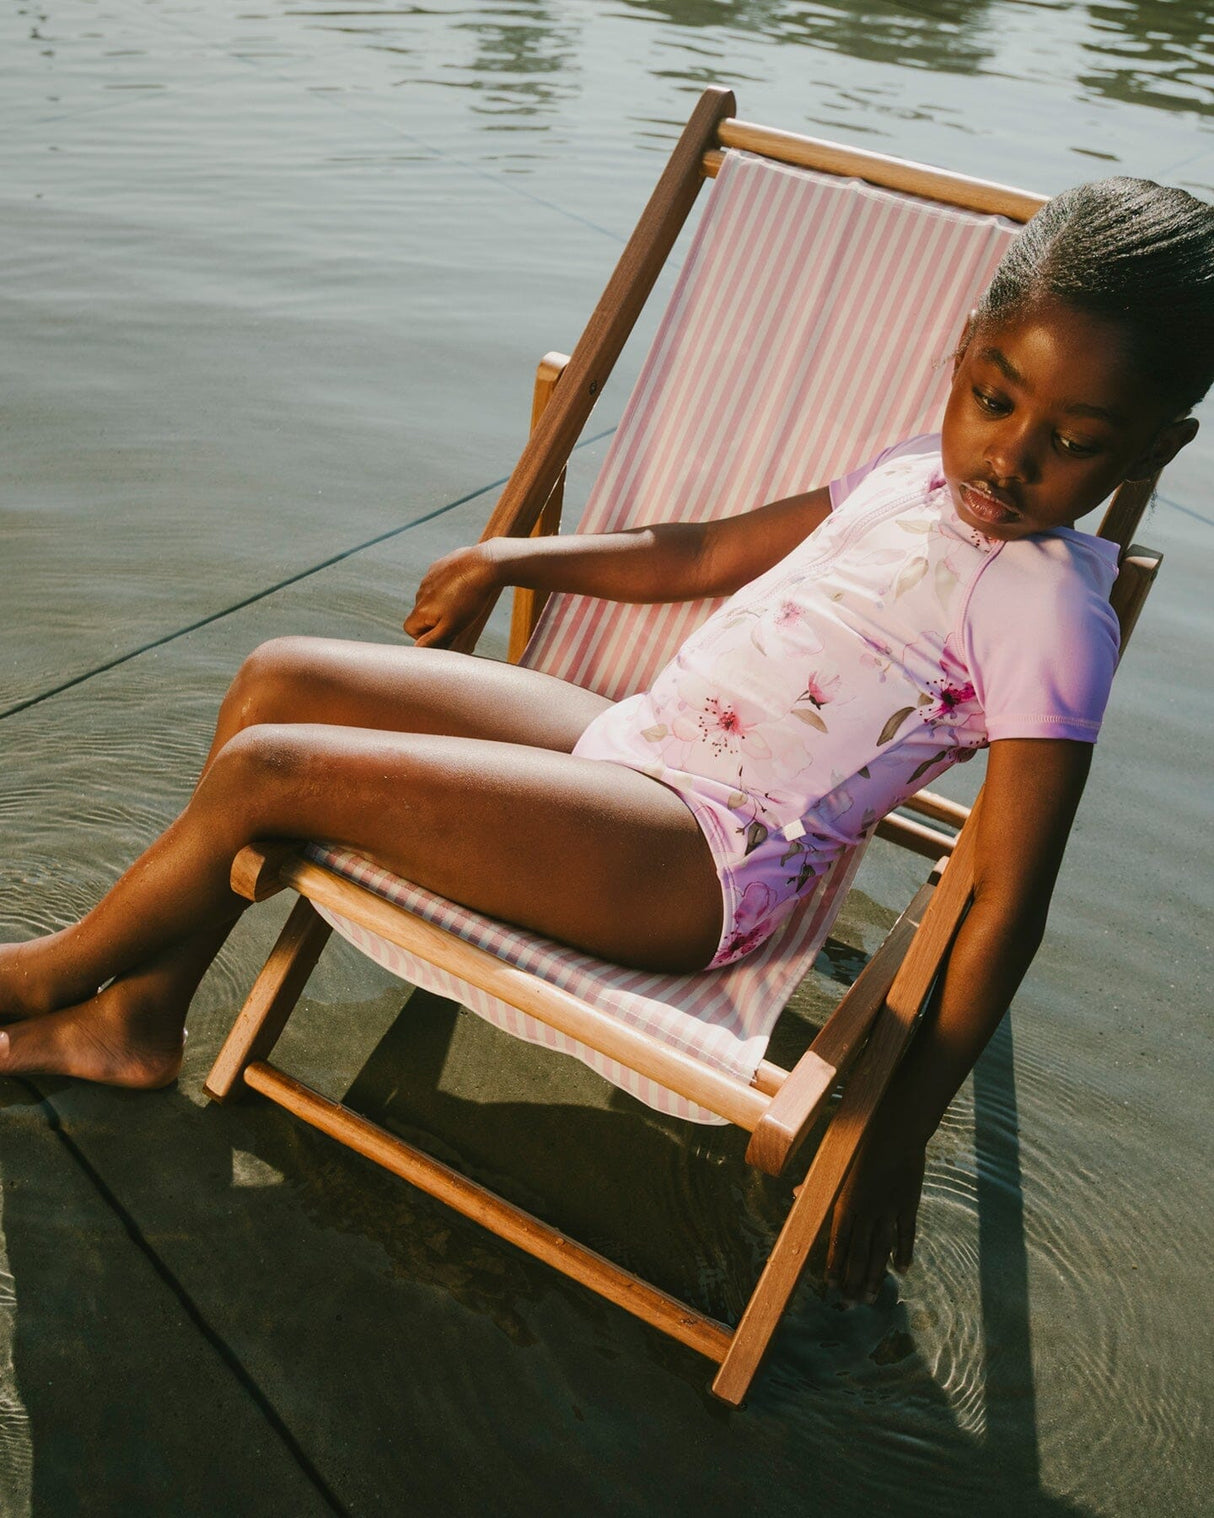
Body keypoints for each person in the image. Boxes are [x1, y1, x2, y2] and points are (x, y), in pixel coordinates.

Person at [2, 177, 1211, 1305]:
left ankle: (53, 976)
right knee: (278, 680)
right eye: (992, 398)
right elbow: (701, 554)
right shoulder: (909, 476)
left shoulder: (1052, 615)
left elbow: (1004, 897)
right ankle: (138, 1016)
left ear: (1154, 447)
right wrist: (511, 555)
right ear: (962, 356)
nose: (1008, 457)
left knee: (270, 773)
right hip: (630, 749)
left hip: (698, 863)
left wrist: (893, 1136)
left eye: (1074, 440)